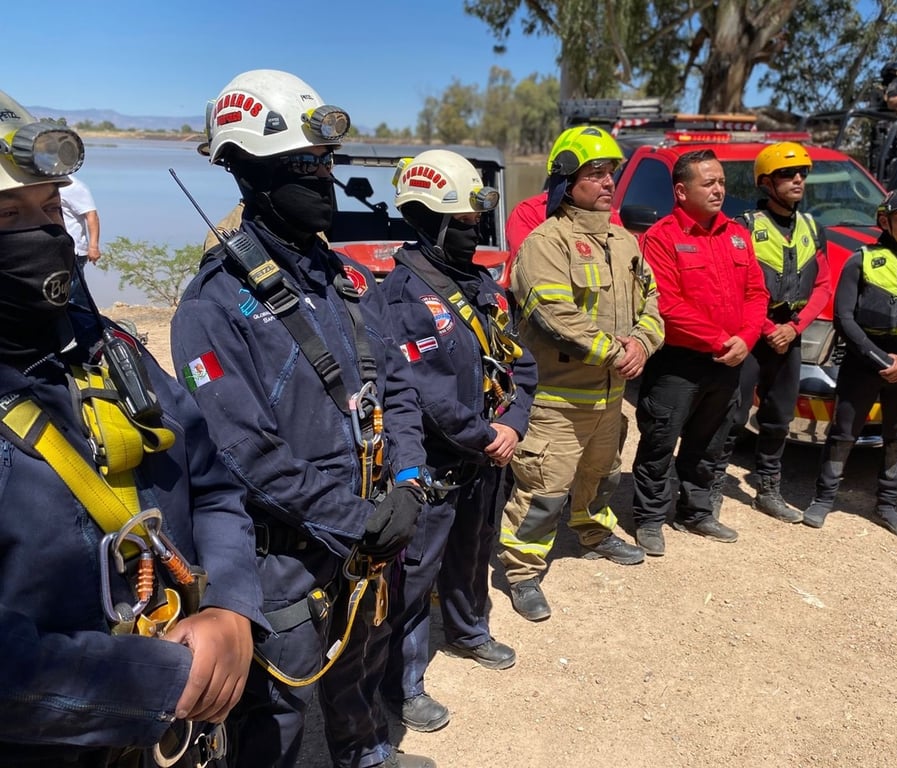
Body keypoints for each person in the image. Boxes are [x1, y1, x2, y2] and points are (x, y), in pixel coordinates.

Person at [170, 70, 435, 768]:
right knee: (278, 714)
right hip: (285, 556)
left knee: (362, 663)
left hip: (374, 528)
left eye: (327, 164)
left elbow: (399, 389)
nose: (323, 180)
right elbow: (242, 453)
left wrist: (406, 480)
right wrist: (356, 518)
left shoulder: (348, 279)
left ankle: (365, 753)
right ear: (250, 175)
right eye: (302, 167)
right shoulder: (212, 305)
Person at [0, 91, 261, 765]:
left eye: (50, 207)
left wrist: (231, 605)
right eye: (7, 214)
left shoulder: (105, 350)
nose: (46, 235)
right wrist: (160, 683)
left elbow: (213, 483)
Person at [380, 149, 538, 730]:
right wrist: (484, 434)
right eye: (464, 224)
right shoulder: (399, 297)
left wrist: (512, 424)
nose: (474, 234)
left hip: (487, 454)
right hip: (437, 461)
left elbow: (521, 364)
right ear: (427, 220)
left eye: (478, 223)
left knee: (474, 553)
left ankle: (470, 631)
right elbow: (423, 393)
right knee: (415, 574)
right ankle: (402, 682)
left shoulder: (483, 286)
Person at [498, 125, 664, 621]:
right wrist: (616, 353)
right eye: (595, 173)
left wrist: (642, 343)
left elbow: (653, 301)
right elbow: (552, 315)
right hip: (556, 401)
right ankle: (522, 571)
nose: (608, 182)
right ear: (567, 180)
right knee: (543, 488)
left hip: (609, 400)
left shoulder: (626, 242)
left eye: (610, 172)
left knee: (602, 475)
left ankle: (593, 533)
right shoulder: (545, 243)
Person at [631, 149, 769, 551]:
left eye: (722, 182)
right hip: (679, 362)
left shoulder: (737, 236)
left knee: (711, 441)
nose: (719, 189)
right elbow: (667, 305)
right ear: (681, 190)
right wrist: (722, 340)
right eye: (708, 182)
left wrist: (746, 337)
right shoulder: (661, 238)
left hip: (731, 359)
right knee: (660, 439)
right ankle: (650, 518)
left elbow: (757, 294)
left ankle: (696, 512)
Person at [802, 187, 897, 537]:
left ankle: (888, 505)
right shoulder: (861, 260)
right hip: (865, 361)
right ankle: (824, 498)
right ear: (885, 220)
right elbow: (845, 318)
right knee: (843, 432)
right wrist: (881, 359)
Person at [715, 142, 832, 524]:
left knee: (779, 416)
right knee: (731, 416)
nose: (797, 179)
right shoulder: (744, 227)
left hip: (789, 333)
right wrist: (766, 329)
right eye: (787, 174)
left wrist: (793, 328)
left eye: (802, 173)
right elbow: (733, 288)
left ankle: (768, 488)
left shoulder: (813, 228)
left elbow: (823, 286)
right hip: (751, 334)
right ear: (766, 182)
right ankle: (711, 485)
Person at [60, 175, 101, 306]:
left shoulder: (73, 186)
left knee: (68, 294)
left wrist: (93, 247)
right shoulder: (46, 184)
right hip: (56, 248)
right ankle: (92, 321)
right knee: (78, 295)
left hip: (74, 251)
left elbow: (91, 215)